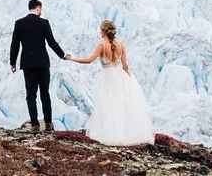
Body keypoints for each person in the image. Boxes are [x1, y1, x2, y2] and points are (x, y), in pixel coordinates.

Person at [64, 17, 153, 146]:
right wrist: (129, 80)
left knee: (109, 106)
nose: (100, 33)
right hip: (120, 76)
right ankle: (125, 135)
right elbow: (125, 66)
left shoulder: (102, 45)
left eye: (100, 30)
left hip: (107, 78)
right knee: (123, 106)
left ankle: (111, 135)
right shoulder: (121, 45)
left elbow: (89, 60)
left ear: (103, 31)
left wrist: (72, 59)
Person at [8, 0, 67, 131]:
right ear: (38, 8)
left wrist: (13, 62)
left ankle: (34, 124)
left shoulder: (19, 23)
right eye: (41, 9)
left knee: (31, 95)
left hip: (28, 64)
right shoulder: (44, 23)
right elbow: (52, 42)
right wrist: (62, 55)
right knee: (44, 93)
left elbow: (15, 44)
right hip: (42, 63)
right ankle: (48, 123)